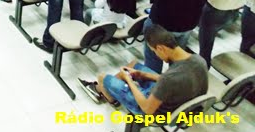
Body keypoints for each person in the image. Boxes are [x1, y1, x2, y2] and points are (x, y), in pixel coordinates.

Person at [79, 24, 208, 115]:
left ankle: (107, 94)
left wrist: (128, 80)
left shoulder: (169, 79)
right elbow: (172, 81)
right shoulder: (198, 60)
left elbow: (147, 109)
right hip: (174, 99)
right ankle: (108, 90)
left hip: (154, 110)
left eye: (154, 52)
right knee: (134, 65)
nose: (156, 56)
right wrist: (143, 74)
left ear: (161, 48)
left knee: (102, 77)